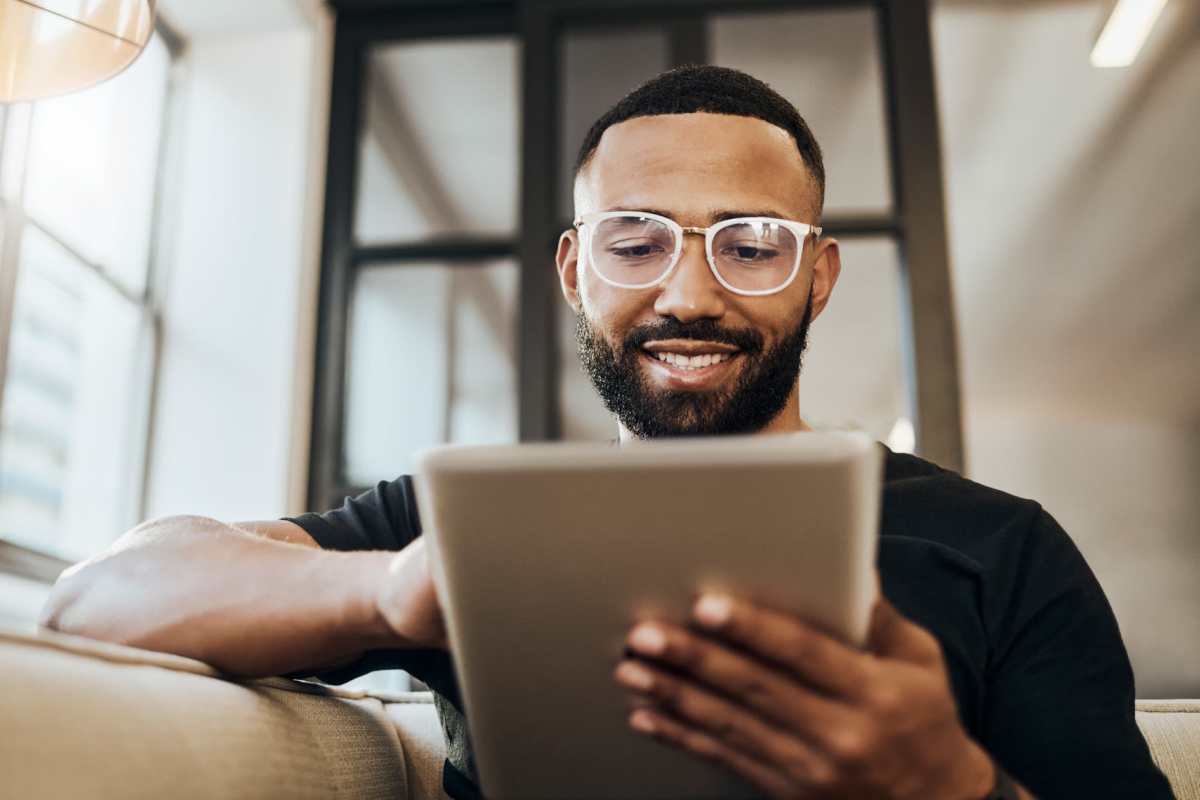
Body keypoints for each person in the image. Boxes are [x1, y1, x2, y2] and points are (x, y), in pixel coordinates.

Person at [40, 66, 1172, 800]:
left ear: (818, 277)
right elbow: (97, 599)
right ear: (578, 272)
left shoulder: (1002, 547)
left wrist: (946, 783)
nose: (692, 292)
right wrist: (397, 590)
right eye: (637, 241)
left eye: (753, 242)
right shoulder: (465, 526)